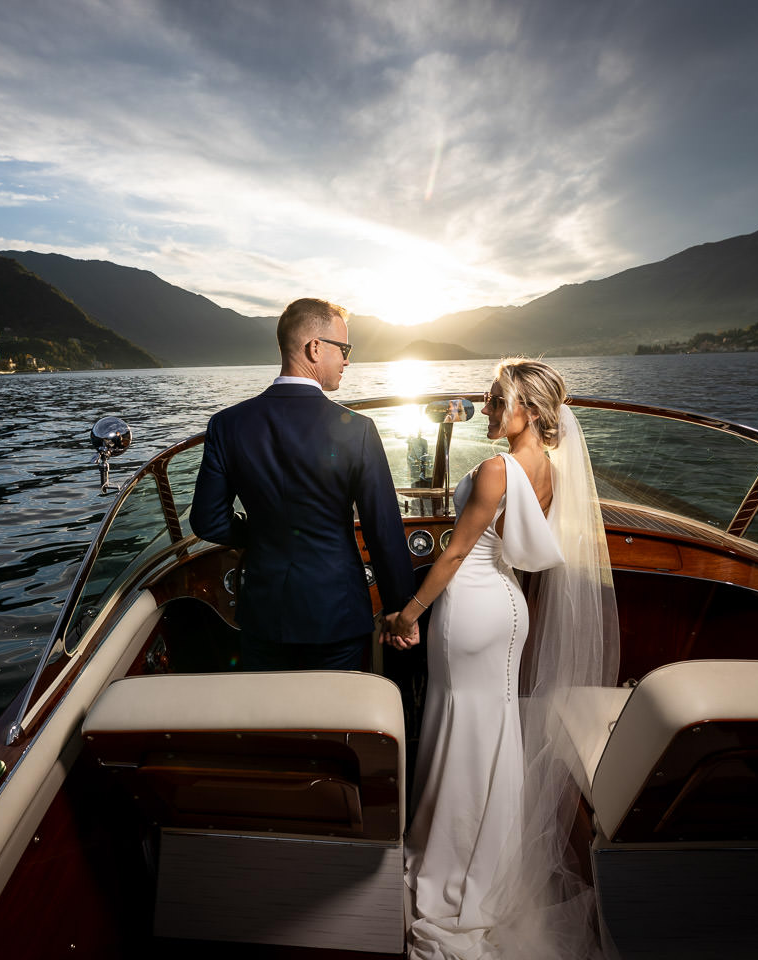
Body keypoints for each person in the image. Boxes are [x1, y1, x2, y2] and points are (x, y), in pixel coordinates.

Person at [390, 359, 621, 959]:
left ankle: (451, 864)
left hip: (469, 606)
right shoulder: (549, 469)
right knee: (491, 732)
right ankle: (487, 868)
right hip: (509, 606)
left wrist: (407, 614)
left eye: (496, 400)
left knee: (458, 729)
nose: (486, 408)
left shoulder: (497, 470)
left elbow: (453, 554)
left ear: (531, 413)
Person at [190, 297, 419, 670]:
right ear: (315, 347)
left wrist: (262, 533)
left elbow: (207, 521)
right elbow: (384, 532)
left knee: (271, 724)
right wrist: (400, 612)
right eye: (344, 349)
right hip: (337, 614)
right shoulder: (358, 431)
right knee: (333, 724)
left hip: (263, 615)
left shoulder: (227, 425)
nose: (347, 360)